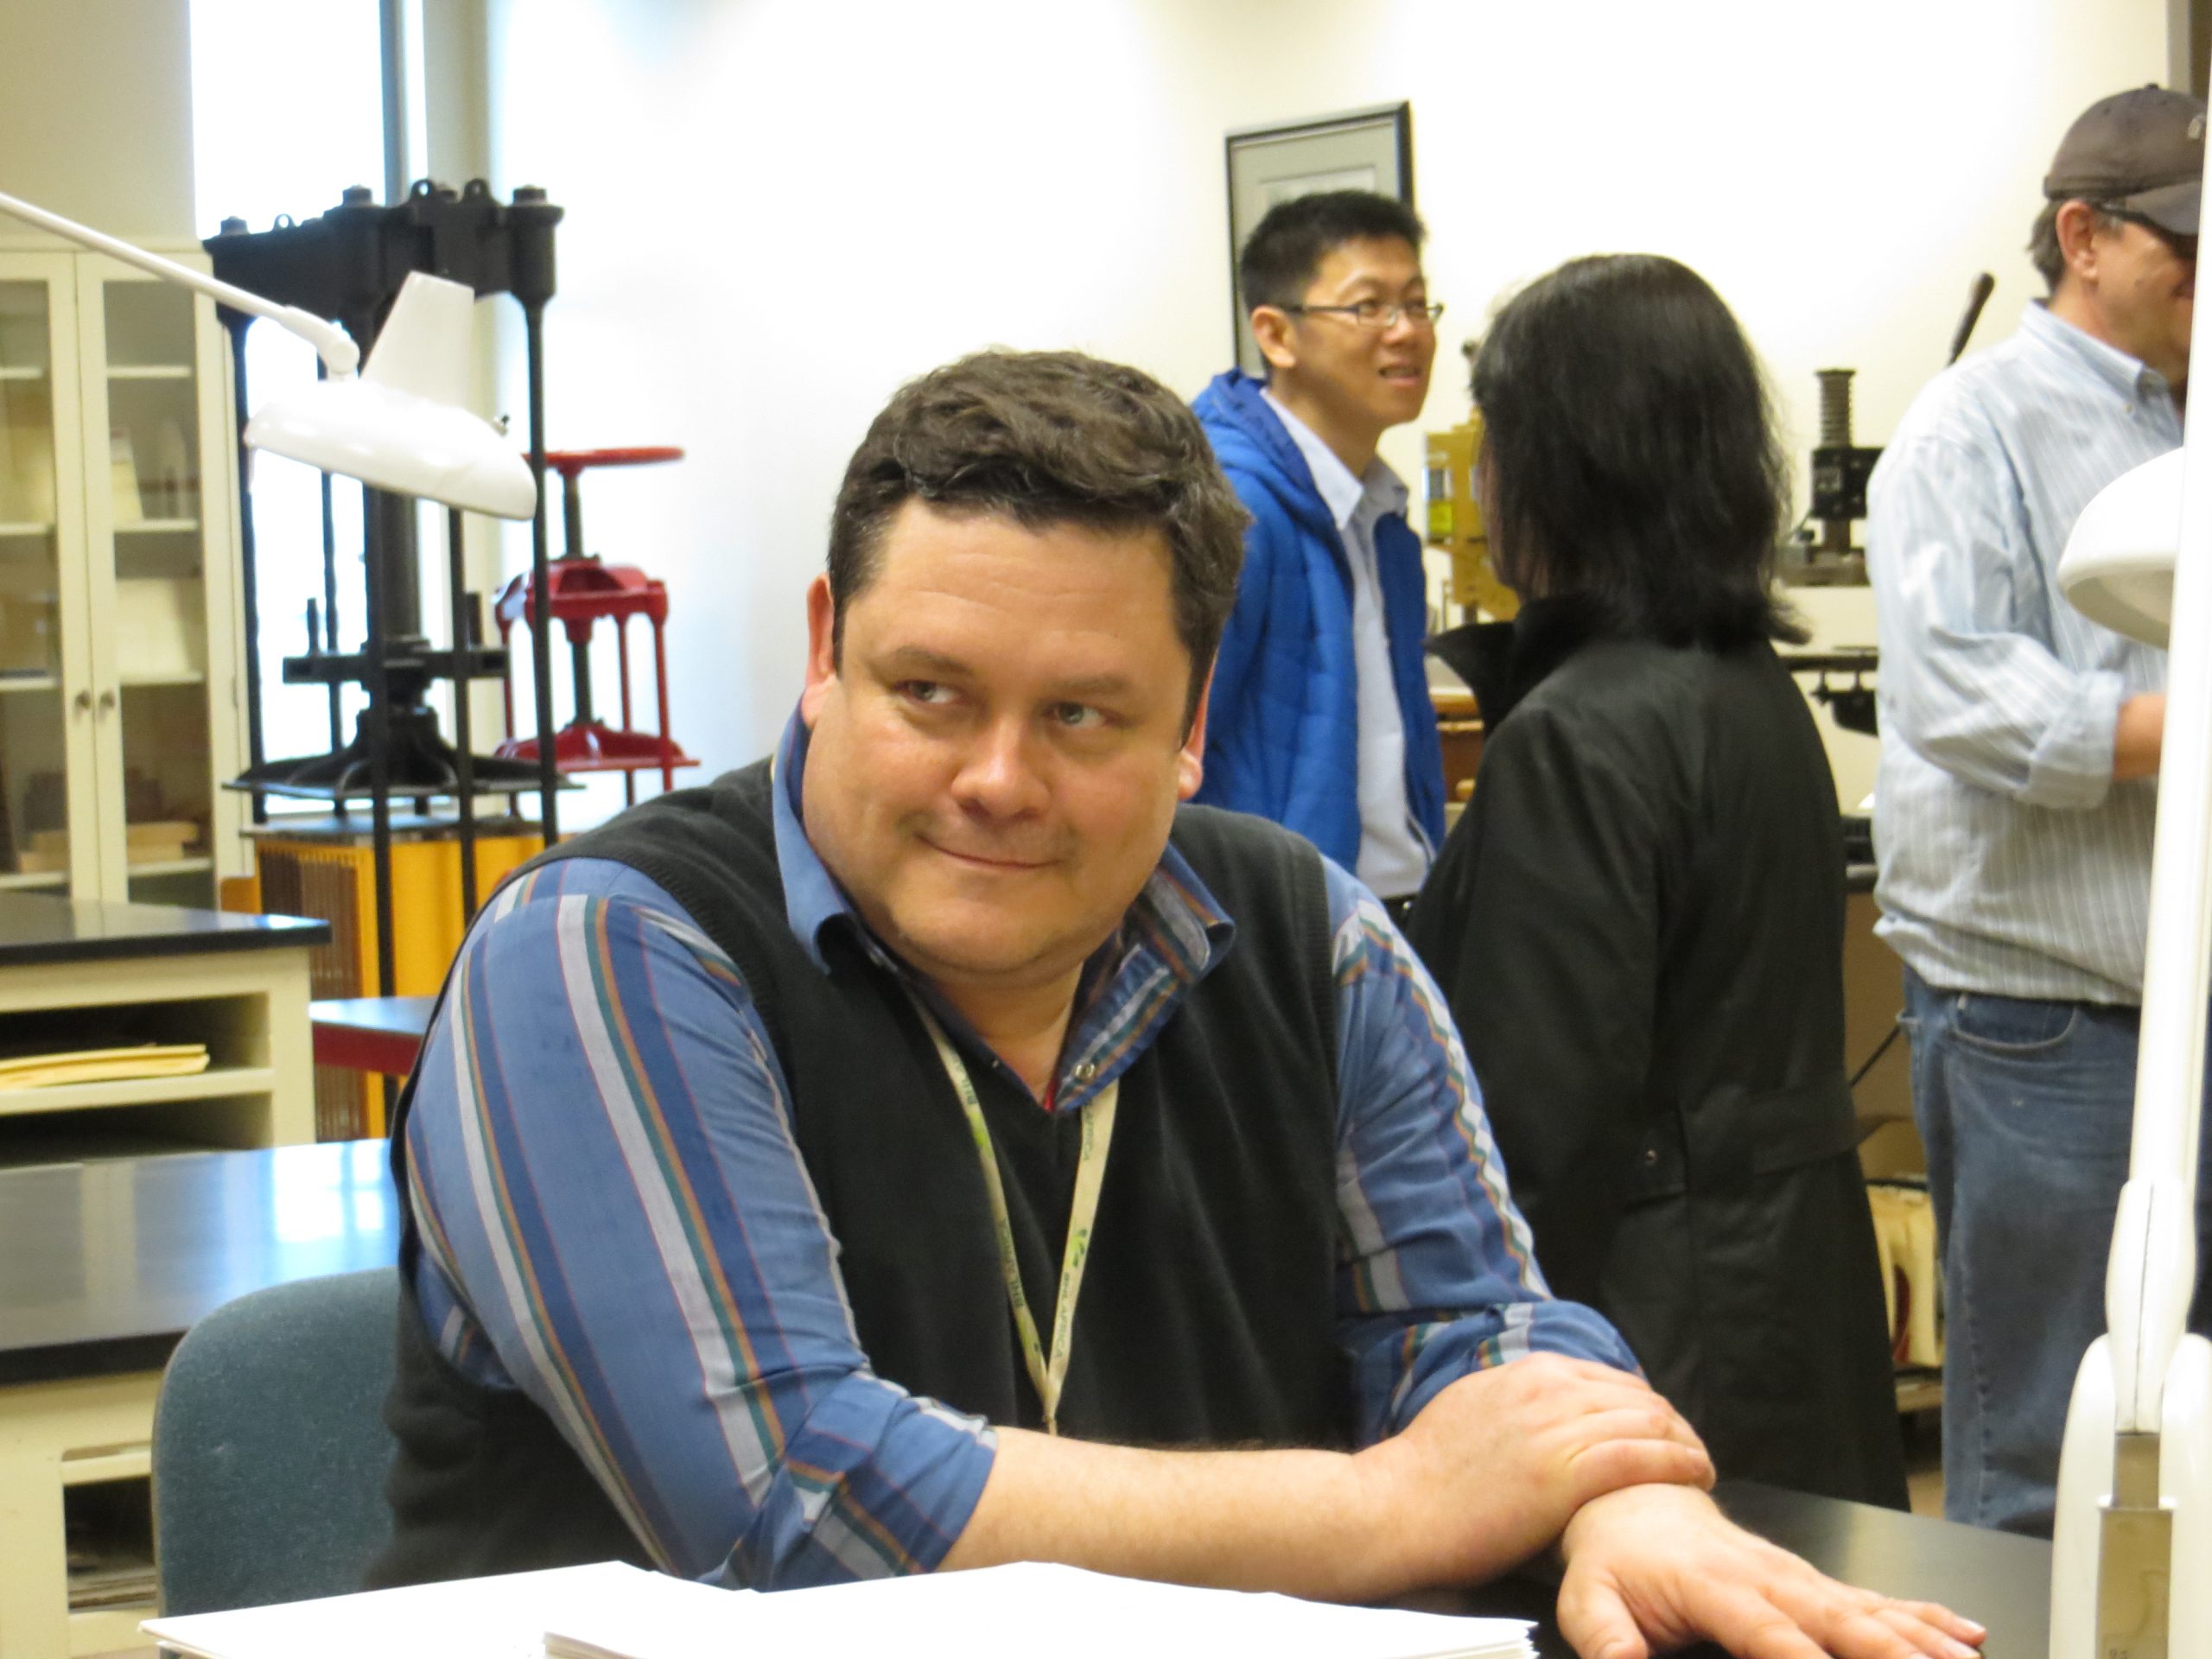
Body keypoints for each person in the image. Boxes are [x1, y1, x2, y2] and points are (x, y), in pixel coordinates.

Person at [373, 349, 1983, 1659]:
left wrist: (1621, 1501)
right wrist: (1400, 1507)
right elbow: (792, 1506)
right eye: (930, 692)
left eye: (1081, 715)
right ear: (825, 648)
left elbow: (1478, 1327)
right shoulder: (608, 948)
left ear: (1194, 720)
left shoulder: (1301, 933)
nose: (997, 780)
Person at [1404, 255, 1908, 1511]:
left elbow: (1536, 1126)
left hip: (1652, 1320)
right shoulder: (1749, 688)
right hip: (1795, 1286)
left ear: (1559, 463)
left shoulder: (1576, 732)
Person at [1867, 83, 2209, 1535]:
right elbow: (1962, 693)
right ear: (2084, 236)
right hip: (2043, 1013)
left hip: (2181, 1000)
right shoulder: (1970, 428)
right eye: (2186, 242)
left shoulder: (2192, 426)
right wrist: (2187, 730)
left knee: (2182, 1431)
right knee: (2045, 1449)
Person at [1192, 190, 1446, 919]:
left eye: (1417, 305)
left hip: (1383, 913)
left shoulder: (1380, 514)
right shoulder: (1232, 507)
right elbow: (1173, 756)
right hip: (1273, 928)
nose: (1406, 332)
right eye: (1369, 307)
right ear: (1276, 334)